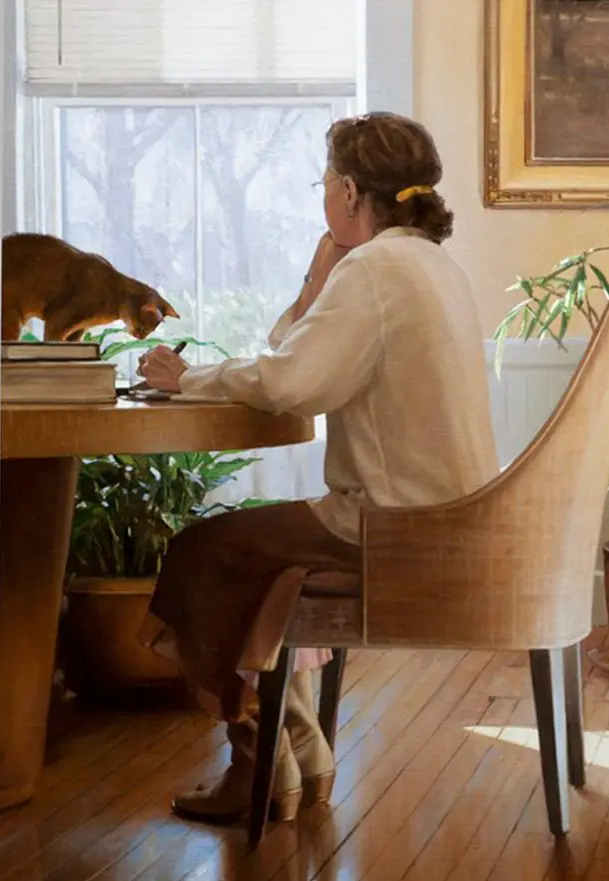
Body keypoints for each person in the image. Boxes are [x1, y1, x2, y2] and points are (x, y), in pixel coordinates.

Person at [137, 111, 499, 826]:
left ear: (345, 190)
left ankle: (260, 763)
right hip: (441, 516)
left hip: (390, 527)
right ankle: (296, 753)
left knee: (201, 553)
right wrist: (320, 272)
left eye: (325, 183)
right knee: (260, 559)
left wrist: (186, 382)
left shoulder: (376, 269)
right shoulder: (422, 263)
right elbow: (299, 358)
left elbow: (291, 384)